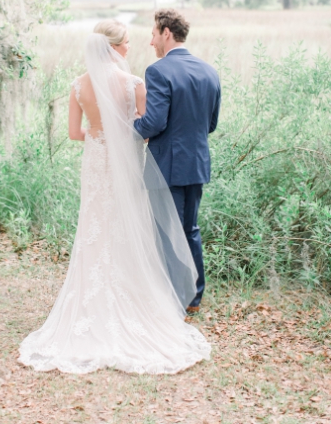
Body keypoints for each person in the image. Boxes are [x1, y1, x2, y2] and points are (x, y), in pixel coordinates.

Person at [18, 19, 210, 374]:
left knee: (95, 226)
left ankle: (89, 304)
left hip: (95, 165)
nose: (130, 47)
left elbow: (75, 134)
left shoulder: (78, 85)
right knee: (128, 227)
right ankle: (139, 298)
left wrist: (99, 132)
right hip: (124, 166)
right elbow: (146, 127)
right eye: (126, 42)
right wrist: (122, 135)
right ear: (114, 47)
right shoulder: (134, 83)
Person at [133, 9, 221, 314]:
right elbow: (210, 124)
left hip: (166, 165)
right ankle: (192, 296)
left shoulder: (158, 71)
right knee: (188, 229)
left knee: (165, 231)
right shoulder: (209, 71)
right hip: (196, 163)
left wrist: (130, 129)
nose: (151, 41)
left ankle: (175, 296)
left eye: (154, 34)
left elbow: (154, 122)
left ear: (167, 32)